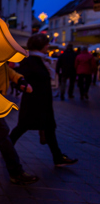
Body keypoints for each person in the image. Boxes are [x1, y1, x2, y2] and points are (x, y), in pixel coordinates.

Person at [9, 33, 78, 167]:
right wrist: (24, 86)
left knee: (49, 128)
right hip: (33, 103)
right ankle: (7, 148)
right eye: (46, 44)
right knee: (23, 127)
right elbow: (19, 78)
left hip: (43, 102)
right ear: (40, 46)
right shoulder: (30, 61)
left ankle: (58, 157)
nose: (48, 46)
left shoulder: (41, 60)